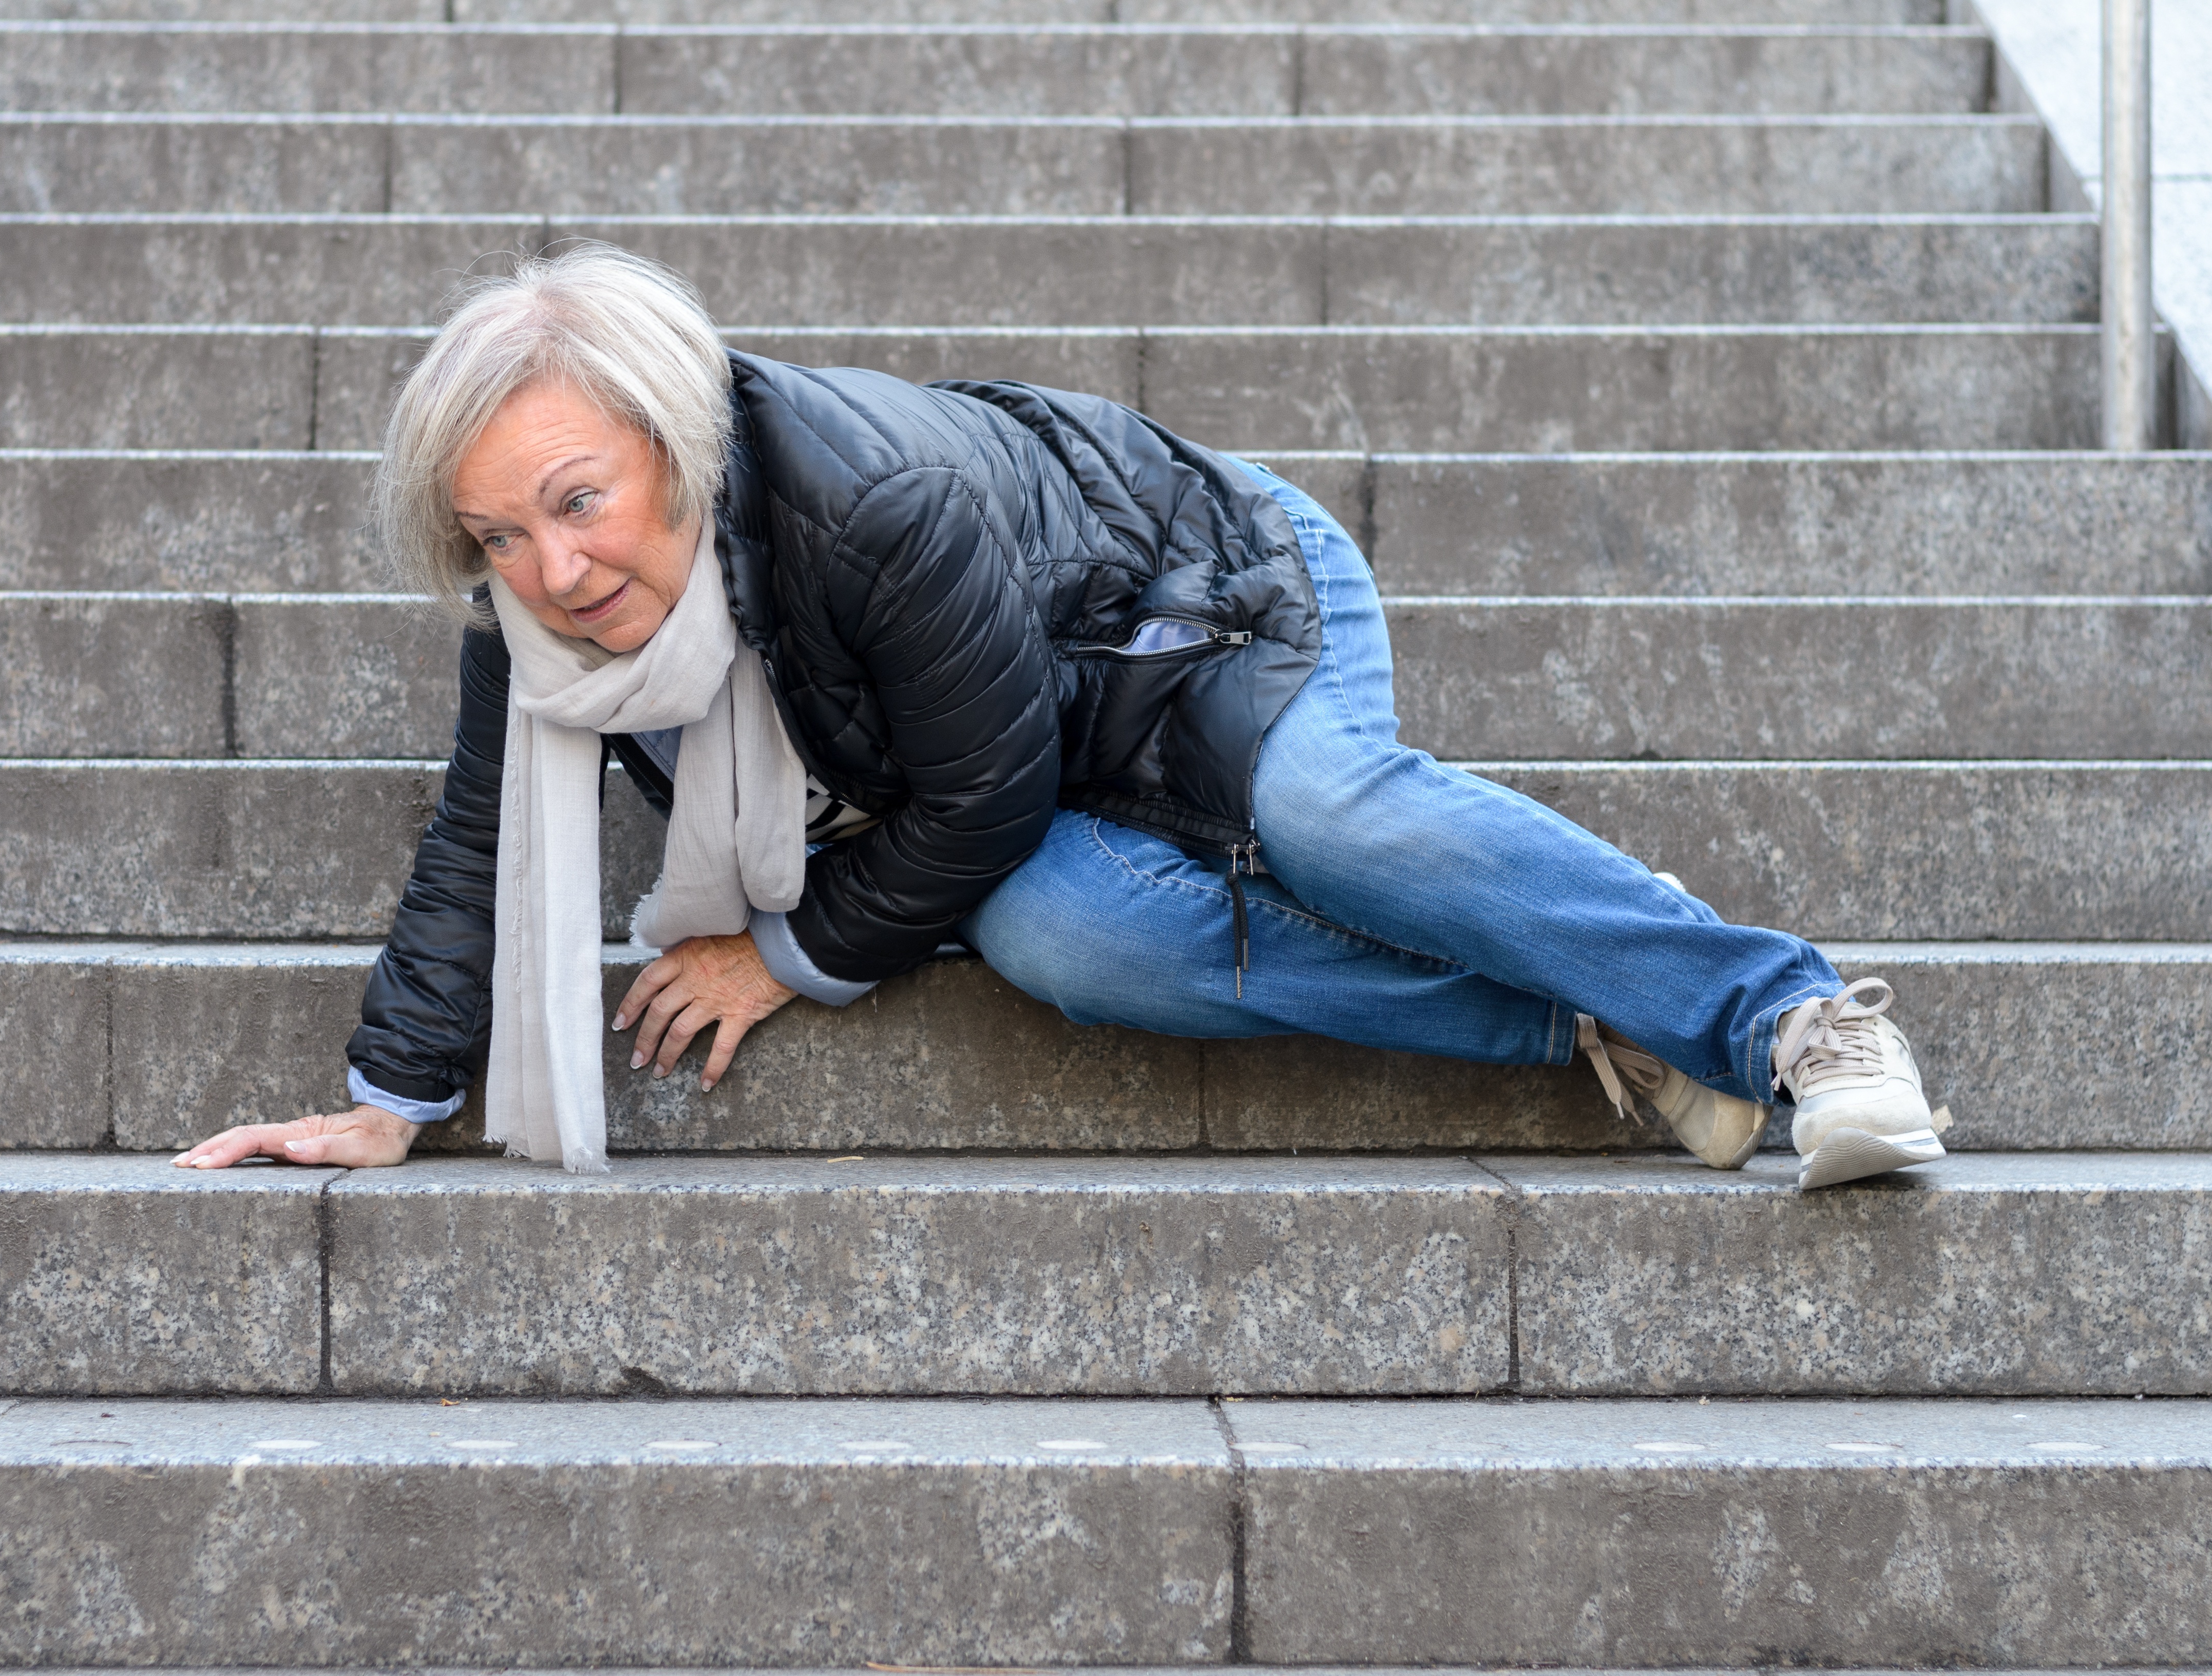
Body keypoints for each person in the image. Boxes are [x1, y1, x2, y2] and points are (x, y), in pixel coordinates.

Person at [173, 243, 1947, 1192]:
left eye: (578, 501)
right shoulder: (541, 616)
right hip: (1042, 737)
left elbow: (983, 787)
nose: (550, 572)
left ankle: (1786, 1019)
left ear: (675, 437)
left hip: (1197, 598)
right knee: (1061, 936)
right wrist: (391, 1098)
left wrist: (786, 955)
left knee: (1325, 819)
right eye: (498, 535)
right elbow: (481, 834)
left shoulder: (865, 503)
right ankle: (1585, 1010)